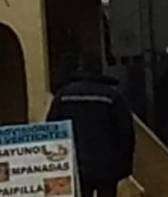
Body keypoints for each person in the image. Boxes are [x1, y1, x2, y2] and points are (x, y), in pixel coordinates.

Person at [46, 53, 135, 197]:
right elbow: (126, 134)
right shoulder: (112, 97)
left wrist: (55, 165)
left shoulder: (63, 95)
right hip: (107, 167)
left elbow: (52, 129)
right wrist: (124, 168)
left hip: (75, 165)